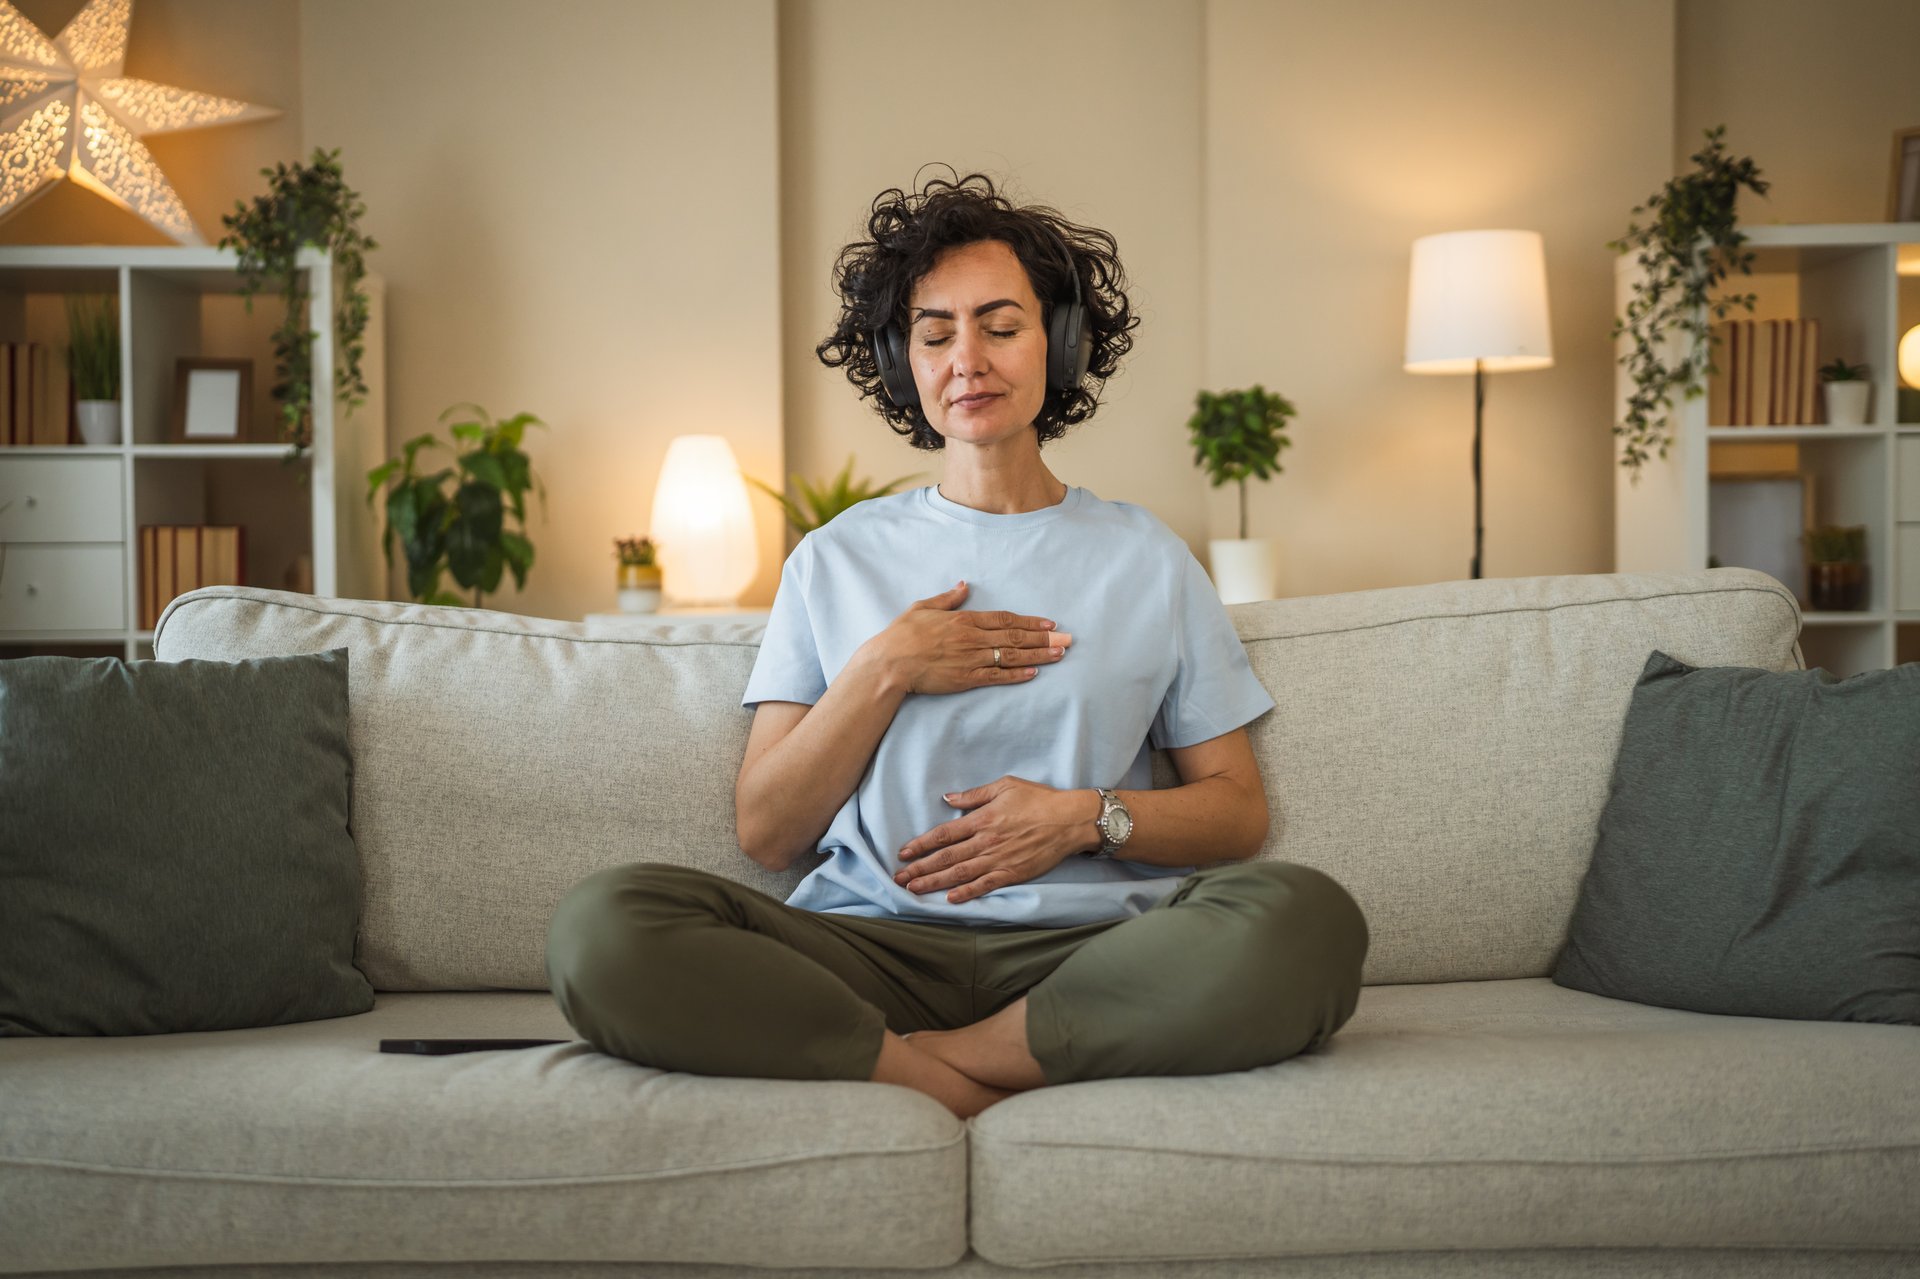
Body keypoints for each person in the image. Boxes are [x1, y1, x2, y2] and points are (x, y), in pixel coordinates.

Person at [546, 170, 1368, 1119]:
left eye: (1000, 325)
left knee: (1308, 921)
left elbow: (1236, 814)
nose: (966, 358)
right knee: (604, 926)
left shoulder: (1148, 557)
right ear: (906, 363)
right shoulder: (834, 558)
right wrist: (887, 667)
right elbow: (769, 834)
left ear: (1057, 344)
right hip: (868, 949)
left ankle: (928, 1063)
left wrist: (1082, 817)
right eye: (934, 333)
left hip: (1090, 952)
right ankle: (972, 1076)